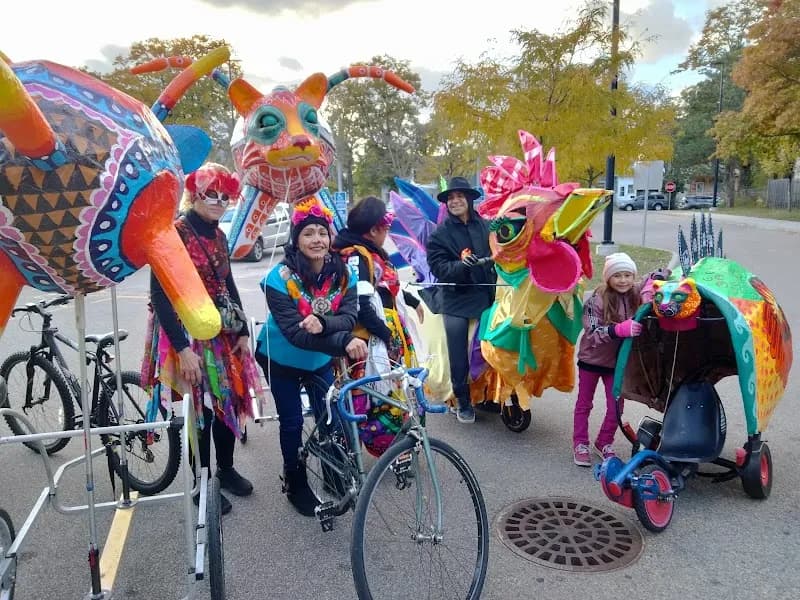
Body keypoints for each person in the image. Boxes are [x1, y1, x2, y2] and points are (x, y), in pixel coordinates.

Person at [142, 162, 261, 515]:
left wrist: (241, 331)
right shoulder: (174, 234)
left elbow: (228, 284)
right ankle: (201, 481)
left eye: (226, 196)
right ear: (195, 194)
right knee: (200, 412)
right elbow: (161, 294)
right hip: (186, 334)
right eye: (212, 194)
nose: (219, 201)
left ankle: (224, 470)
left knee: (228, 402)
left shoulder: (220, 235)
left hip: (221, 333)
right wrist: (182, 350)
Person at [254, 198, 368, 517]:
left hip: (319, 359)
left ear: (330, 238)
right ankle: (295, 482)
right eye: (308, 234)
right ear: (296, 239)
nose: (317, 239)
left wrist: (326, 323)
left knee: (330, 416)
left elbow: (348, 316)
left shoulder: (344, 275)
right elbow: (295, 333)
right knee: (292, 422)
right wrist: (342, 341)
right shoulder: (278, 279)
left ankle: (332, 472)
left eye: (322, 232)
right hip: (281, 358)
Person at [332, 196, 421, 455]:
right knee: (370, 398)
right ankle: (361, 456)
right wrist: (385, 335)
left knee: (391, 393)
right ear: (373, 230)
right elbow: (360, 302)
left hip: (380, 332)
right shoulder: (356, 256)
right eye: (386, 228)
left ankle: (393, 450)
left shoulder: (366, 251)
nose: (387, 234)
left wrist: (412, 301)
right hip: (366, 339)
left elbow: (383, 289)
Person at [573, 252, 665, 466]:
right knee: (584, 404)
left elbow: (657, 275)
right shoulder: (596, 299)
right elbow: (592, 332)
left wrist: (656, 280)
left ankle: (604, 441)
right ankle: (580, 443)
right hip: (591, 361)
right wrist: (618, 330)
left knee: (616, 407)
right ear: (608, 278)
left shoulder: (636, 292)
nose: (623, 280)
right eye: (617, 275)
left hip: (618, 364)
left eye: (627, 275)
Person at [426, 176, 496, 424]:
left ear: (468, 199)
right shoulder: (439, 234)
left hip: (485, 294)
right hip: (455, 299)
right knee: (459, 352)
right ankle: (462, 401)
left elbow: (500, 251)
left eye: (460, 197)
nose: (455, 201)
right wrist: (460, 266)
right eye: (451, 198)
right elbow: (438, 267)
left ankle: (489, 395)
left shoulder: (486, 226)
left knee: (493, 348)